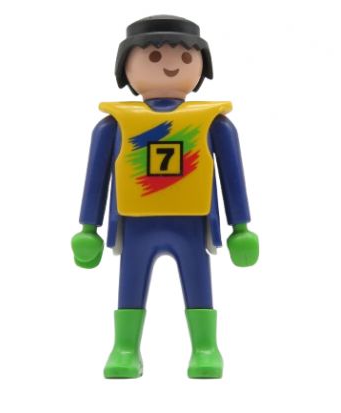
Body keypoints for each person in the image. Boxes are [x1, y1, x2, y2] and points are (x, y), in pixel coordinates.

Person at [71, 15, 259, 379]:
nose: (171, 65)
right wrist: (88, 228)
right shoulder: (113, 125)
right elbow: (95, 177)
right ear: (126, 67)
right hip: (136, 223)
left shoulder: (214, 123)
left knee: (198, 281)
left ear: (201, 67)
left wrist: (241, 227)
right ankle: (125, 348)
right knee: (130, 284)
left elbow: (232, 175)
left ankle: (205, 348)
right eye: (154, 57)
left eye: (186, 58)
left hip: (191, 223)